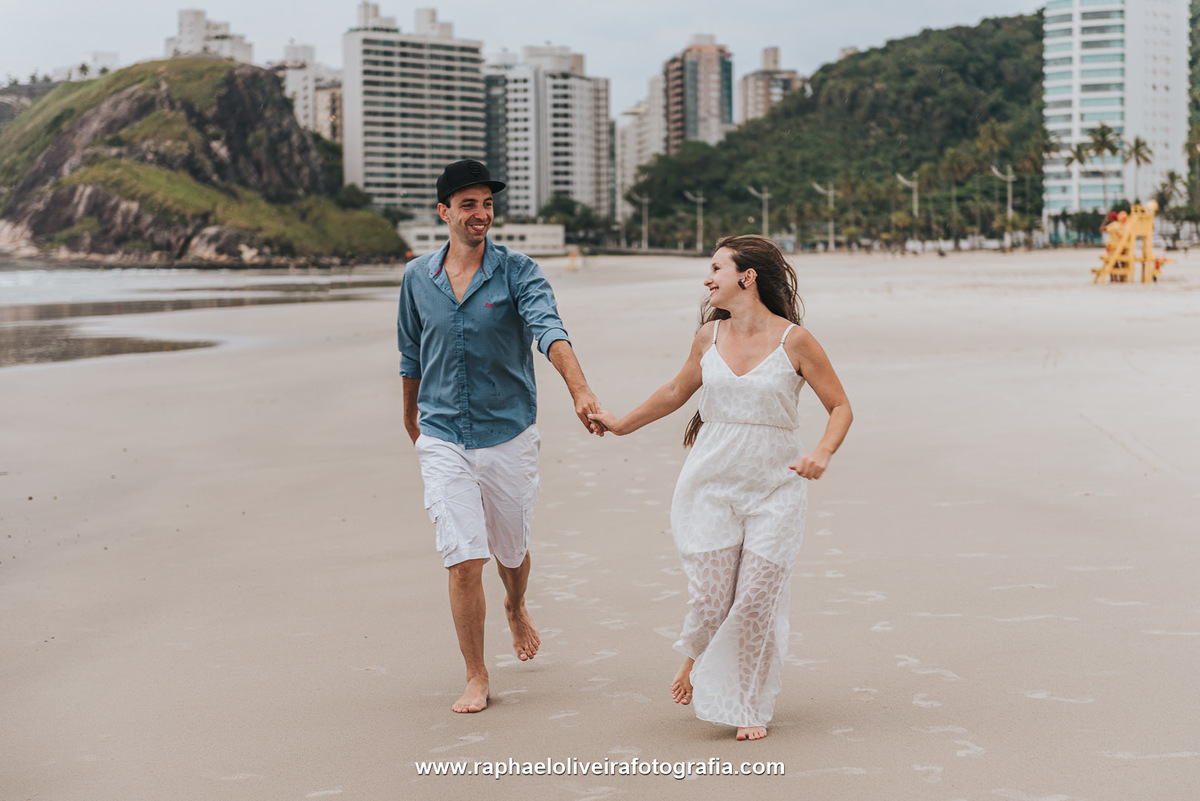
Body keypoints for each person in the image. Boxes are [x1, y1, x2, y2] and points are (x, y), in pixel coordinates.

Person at [588, 235, 852, 740]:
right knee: (712, 599)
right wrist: (621, 424)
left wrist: (821, 452)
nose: (707, 279)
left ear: (746, 277)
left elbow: (841, 406)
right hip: (710, 485)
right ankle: (694, 660)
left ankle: (747, 702)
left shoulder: (794, 340)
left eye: (717, 268)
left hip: (776, 489)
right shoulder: (708, 336)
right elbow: (674, 392)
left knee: (754, 599)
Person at [397, 159, 602, 713]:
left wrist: (579, 389)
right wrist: (410, 417)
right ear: (444, 211)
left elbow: (548, 329)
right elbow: (411, 352)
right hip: (442, 434)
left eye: (487, 204)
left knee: (510, 549)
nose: (480, 214)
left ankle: (516, 604)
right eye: (468, 204)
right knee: (464, 557)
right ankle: (477, 674)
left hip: (508, 431)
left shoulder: (518, 271)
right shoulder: (418, 277)